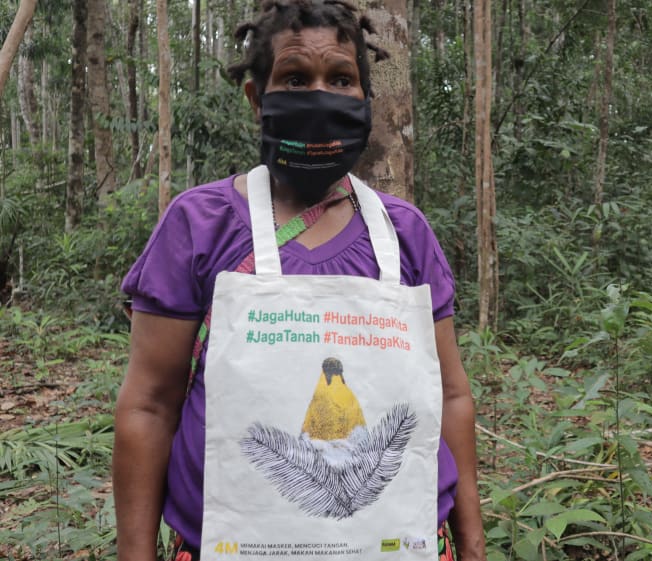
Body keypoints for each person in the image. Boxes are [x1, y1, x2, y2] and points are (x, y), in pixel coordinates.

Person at [112, 1, 486, 560]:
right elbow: (149, 405)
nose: (320, 95)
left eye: (341, 78)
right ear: (257, 98)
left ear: (365, 98)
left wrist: (472, 543)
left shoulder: (405, 233)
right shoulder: (200, 224)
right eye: (295, 78)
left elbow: (451, 395)